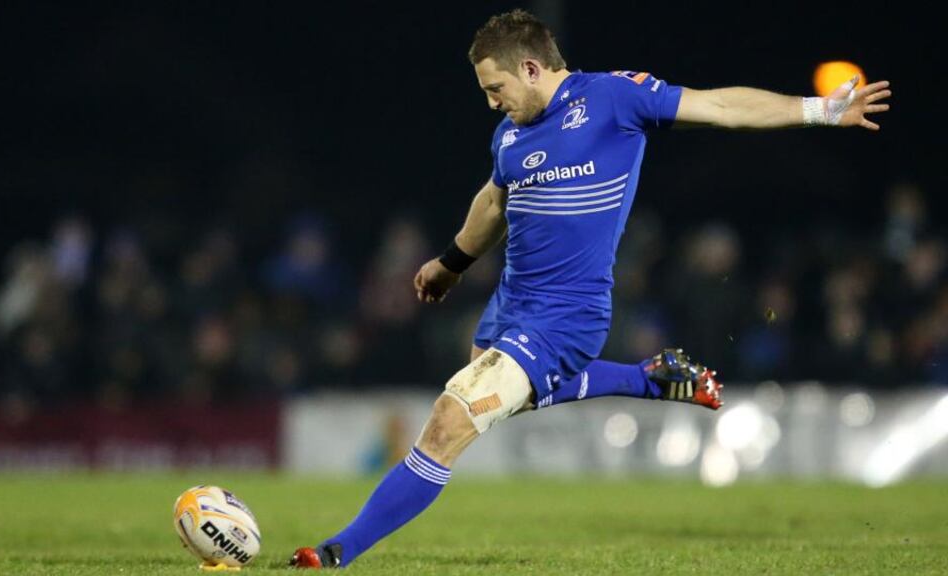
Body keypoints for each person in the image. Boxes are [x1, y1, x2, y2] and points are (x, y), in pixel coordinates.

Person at [291, 8, 891, 568]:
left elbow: (719, 106)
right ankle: (648, 379)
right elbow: (494, 200)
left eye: (495, 88)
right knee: (505, 402)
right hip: (511, 307)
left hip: (568, 314)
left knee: (450, 421)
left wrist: (818, 110)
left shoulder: (612, 97)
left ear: (531, 68)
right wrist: (451, 263)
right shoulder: (509, 136)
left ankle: (334, 552)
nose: (492, 102)